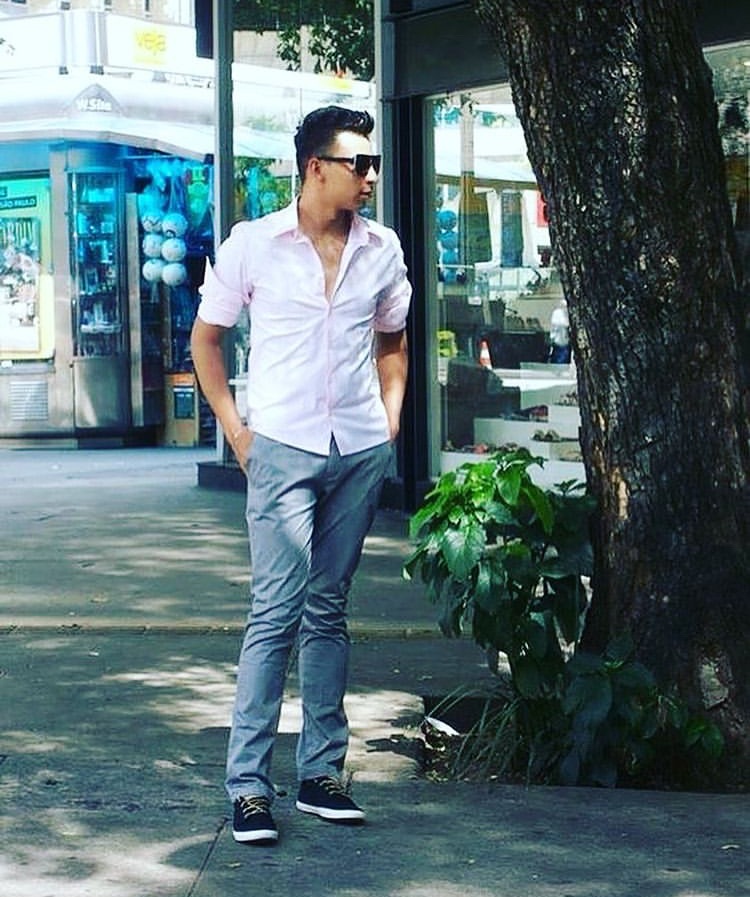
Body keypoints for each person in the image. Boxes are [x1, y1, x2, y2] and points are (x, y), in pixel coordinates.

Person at [190, 105, 412, 846]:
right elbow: (206, 339)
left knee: (329, 609)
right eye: (359, 163)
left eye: (373, 163)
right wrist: (237, 431)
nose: (370, 175)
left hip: (358, 449)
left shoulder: (382, 248)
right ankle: (249, 787)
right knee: (275, 613)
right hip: (281, 446)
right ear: (316, 167)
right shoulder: (254, 244)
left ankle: (321, 774)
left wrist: (389, 421)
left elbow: (392, 338)